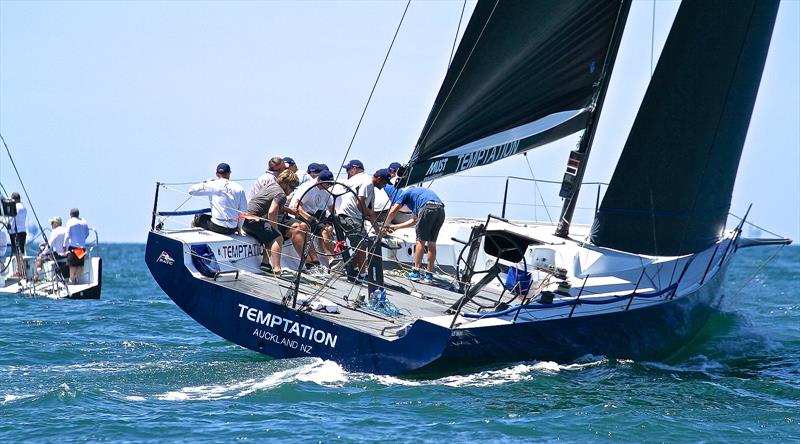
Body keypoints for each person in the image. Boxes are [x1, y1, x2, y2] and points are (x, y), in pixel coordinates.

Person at [375, 170, 446, 285]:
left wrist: (384, 225)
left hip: (427, 208)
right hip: (440, 210)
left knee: (420, 241)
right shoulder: (419, 195)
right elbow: (414, 220)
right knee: (432, 243)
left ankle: (416, 272)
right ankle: (428, 275)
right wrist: (396, 227)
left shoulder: (406, 193)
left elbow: (393, 210)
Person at [242, 169, 299, 278]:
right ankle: (277, 269)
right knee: (278, 237)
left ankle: (265, 264)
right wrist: (276, 229)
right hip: (252, 221)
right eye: (292, 187)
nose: (292, 191)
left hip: (244, 220)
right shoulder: (281, 194)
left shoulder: (272, 185)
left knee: (269, 235)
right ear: (286, 184)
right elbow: (272, 211)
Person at [335, 160, 378, 282]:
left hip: (345, 215)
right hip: (350, 216)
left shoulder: (355, 181)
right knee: (361, 244)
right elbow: (361, 204)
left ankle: (350, 267)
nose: (348, 173)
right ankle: (362, 274)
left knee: (361, 244)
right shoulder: (366, 181)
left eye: (348, 170)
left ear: (354, 169)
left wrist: (378, 231)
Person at [287, 169, 335, 271]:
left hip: (313, 215)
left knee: (327, 230)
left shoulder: (326, 191)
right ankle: (313, 263)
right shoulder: (308, 188)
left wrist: (333, 217)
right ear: (319, 180)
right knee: (310, 228)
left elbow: (331, 208)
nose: (329, 187)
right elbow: (297, 206)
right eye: (327, 184)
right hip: (298, 214)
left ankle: (332, 261)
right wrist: (309, 218)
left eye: (330, 185)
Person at [188, 163, 248, 235]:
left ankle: (197, 239)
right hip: (232, 228)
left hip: (217, 227)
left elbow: (191, 191)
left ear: (216, 174)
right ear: (229, 173)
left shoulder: (212, 184)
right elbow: (243, 210)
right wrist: (239, 227)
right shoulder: (239, 188)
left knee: (197, 216)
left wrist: (205, 183)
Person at [64, 208, 90, 284]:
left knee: (72, 266)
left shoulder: (70, 221)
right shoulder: (83, 221)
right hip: (81, 248)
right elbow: (87, 233)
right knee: (80, 265)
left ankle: (72, 281)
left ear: (71, 215)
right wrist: (82, 239)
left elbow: (67, 235)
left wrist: (64, 246)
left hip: (73, 247)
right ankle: (77, 280)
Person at [7, 192, 27, 277]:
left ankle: (21, 271)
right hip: (22, 231)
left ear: (14, 199)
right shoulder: (23, 207)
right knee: (20, 252)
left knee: (17, 253)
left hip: (15, 232)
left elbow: (11, 219)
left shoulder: (15, 207)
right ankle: (21, 270)